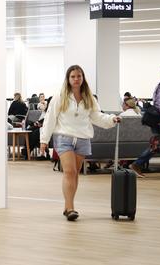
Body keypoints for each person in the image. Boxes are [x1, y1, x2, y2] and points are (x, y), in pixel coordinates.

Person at [40, 65, 120, 221]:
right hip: (64, 138)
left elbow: (97, 116)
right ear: (68, 79)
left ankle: (67, 206)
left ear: (83, 78)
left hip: (83, 139)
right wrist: (44, 140)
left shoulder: (89, 98)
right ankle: (70, 208)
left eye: (79, 76)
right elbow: (50, 119)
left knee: (75, 173)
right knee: (69, 172)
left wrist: (112, 119)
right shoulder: (59, 96)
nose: (76, 79)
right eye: (73, 76)